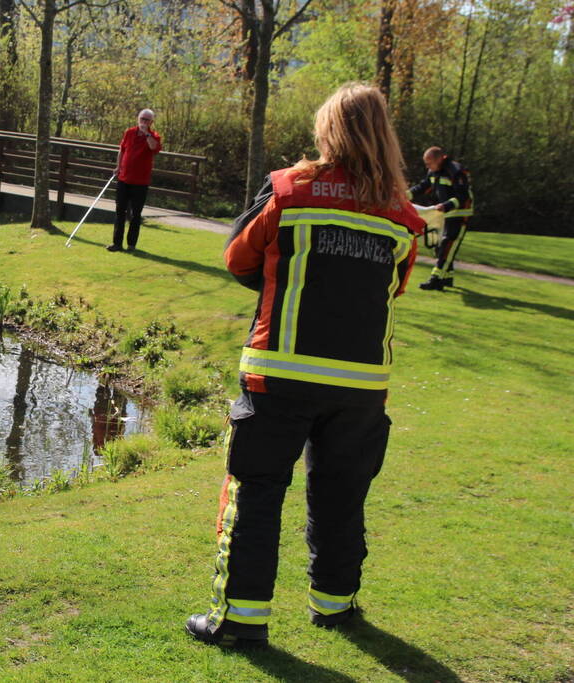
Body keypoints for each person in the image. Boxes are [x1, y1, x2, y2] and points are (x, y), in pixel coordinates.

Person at [185, 83, 425, 648]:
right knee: (343, 495)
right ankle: (335, 606)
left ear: (327, 130)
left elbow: (237, 257)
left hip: (279, 375)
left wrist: (281, 277)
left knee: (257, 492)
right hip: (361, 388)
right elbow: (395, 289)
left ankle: (241, 621)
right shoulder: (405, 218)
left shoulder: (289, 189)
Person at [408, 147, 473, 290]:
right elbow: (423, 187)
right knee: (440, 246)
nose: (427, 166)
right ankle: (447, 277)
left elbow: (463, 197)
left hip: (460, 214)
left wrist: (446, 205)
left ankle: (436, 278)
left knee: (448, 245)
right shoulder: (434, 171)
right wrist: (405, 196)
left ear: (439, 159)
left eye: (429, 163)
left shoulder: (455, 171)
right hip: (445, 214)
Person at [108, 109, 162, 252]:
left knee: (135, 214)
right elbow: (122, 150)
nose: (143, 122)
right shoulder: (129, 132)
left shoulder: (154, 136)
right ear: (138, 119)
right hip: (124, 178)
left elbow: (154, 147)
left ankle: (131, 244)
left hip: (140, 182)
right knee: (120, 211)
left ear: (151, 122)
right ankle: (117, 243)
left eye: (147, 120)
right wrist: (118, 166)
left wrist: (147, 134)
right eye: (142, 119)